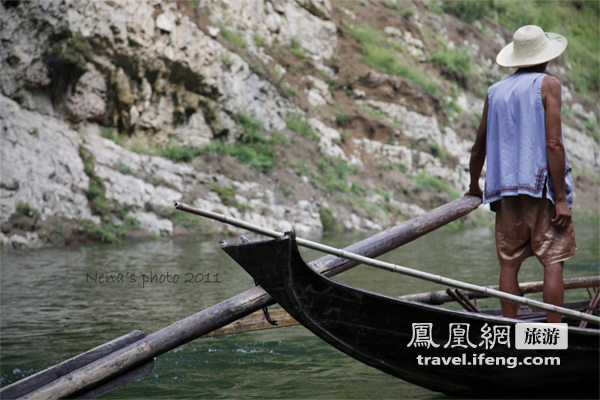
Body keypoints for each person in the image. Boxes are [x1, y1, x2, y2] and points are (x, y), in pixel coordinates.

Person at [466, 25, 577, 323]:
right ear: (545, 57)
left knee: (509, 264)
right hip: (542, 189)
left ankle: (511, 329)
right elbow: (553, 144)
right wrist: (562, 199)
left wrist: (474, 185)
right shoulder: (548, 84)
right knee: (553, 260)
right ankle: (554, 332)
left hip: (504, 192)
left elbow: (478, 149)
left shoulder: (495, 92)